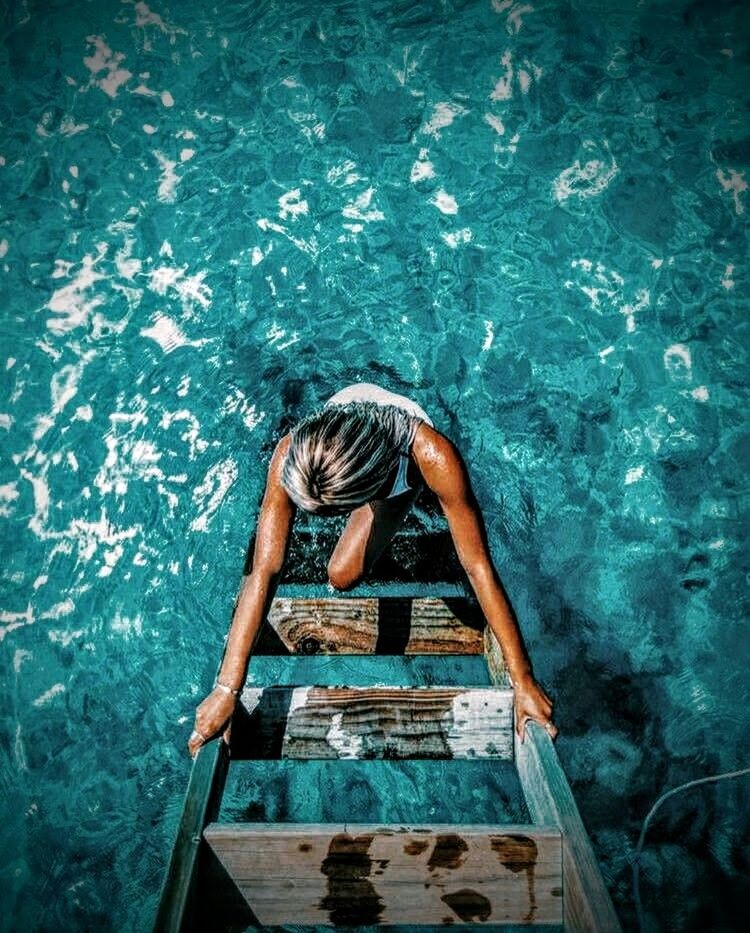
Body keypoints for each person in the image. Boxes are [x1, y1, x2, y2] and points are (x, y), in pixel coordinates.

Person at [188, 382, 558, 757]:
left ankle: (408, 499)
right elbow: (264, 571)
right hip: (353, 437)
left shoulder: (433, 455)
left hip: (398, 472)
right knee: (336, 569)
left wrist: (523, 679)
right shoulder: (290, 454)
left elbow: (478, 566)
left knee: (347, 571)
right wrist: (226, 689)